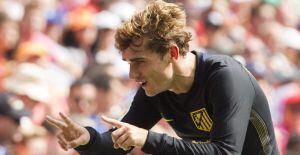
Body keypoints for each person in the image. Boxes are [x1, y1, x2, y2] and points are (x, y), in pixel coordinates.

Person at [46, 0, 279, 154]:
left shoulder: (225, 77)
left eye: (139, 62)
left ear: (172, 53)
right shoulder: (156, 88)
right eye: (128, 63)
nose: (132, 74)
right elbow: (117, 145)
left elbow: (226, 152)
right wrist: (88, 137)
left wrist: (148, 140)